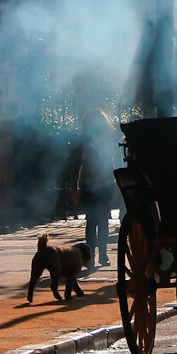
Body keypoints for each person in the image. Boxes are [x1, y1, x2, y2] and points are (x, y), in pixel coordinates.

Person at [69, 109, 119, 269]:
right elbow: (76, 165)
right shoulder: (83, 142)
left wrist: (115, 180)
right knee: (92, 221)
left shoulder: (105, 140)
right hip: (89, 186)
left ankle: (102, 255)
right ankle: (90, 257)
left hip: (104, 185)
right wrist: (74, 188)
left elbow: (110, 162)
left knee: (102, 220)